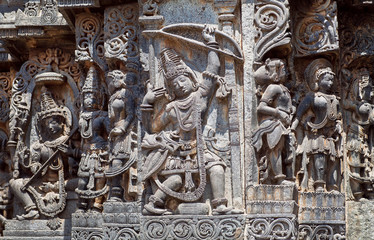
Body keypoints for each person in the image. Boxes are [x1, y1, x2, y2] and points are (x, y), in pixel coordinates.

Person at [141, 26, 237, 215]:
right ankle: (154, 203)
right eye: (174, 84)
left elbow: (213, 68)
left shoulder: (199, 95)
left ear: (191, 78)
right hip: (177, 151)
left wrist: (210, 42)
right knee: (175, 180)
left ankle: (219, 205)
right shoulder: (171, 108)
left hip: (200, 147)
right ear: (170, 90)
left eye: (182, 80)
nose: (179, 85)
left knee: (217, 168)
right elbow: (153, 127)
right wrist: (147, 102)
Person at [10, 86, 79, 219]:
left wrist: (71, 153)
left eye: (54, 122)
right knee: (14, 183)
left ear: (61, 122)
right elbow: (34, 166)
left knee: (83, 181)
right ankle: (32, 210)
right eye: (47, 124)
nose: (50, 127)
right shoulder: (39, 146)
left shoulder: (67, 141)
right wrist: (31, 164)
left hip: (63, 183)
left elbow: (77, 165)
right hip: (42, 184)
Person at [291, 59, 342, 192]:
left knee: (333, 159)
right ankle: (318, 184)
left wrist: (338, 125)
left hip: (331, 135)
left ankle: (332, 185)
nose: (330, 83)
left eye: (332, 80)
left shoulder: (335, 99)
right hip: (316, 133)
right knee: (319, 157)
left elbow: (338, 117)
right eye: (327, 80)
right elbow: (299, 114)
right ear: (317, 80)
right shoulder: (312, 97)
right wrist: (293, 128)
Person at [251, 58, 296, 185]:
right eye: (284, 69)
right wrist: (279, 113)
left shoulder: (284, 89)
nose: (286, 72)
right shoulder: (273, 88)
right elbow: (261, 107)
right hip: (273, 123)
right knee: (275, 148)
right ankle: (279, 179)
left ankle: (285, 177)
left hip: (284, 123)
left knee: (287, 150)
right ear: (276, 71)